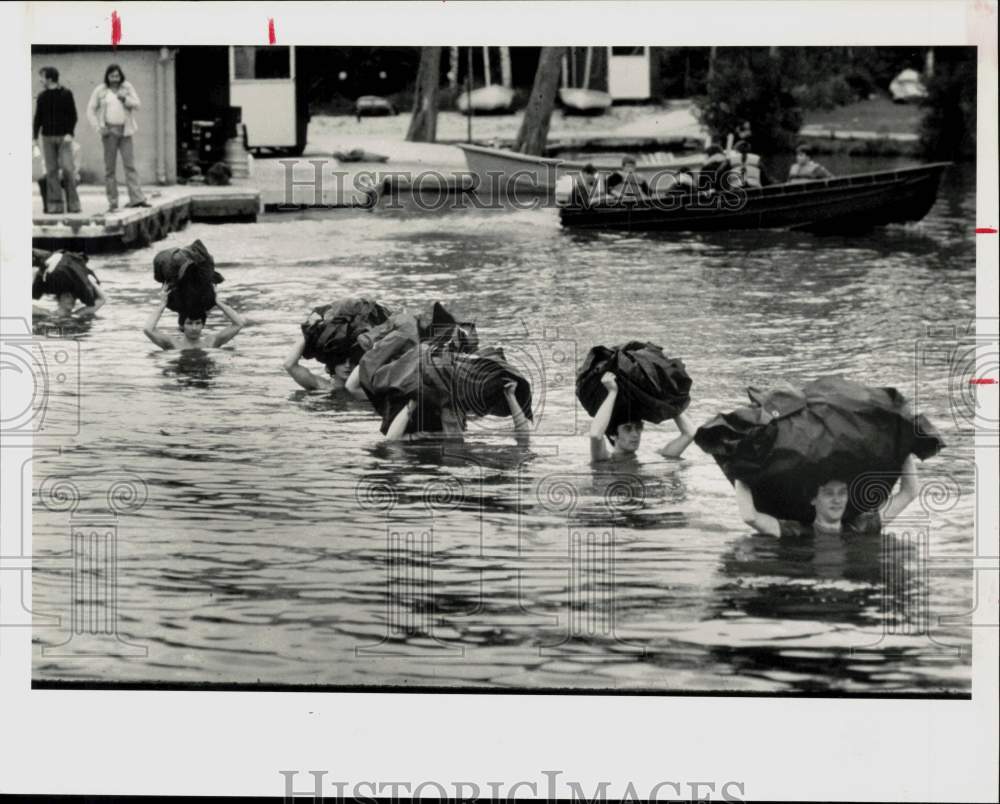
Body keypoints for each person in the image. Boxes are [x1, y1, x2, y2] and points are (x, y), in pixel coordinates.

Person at [734, 454, 919, 538]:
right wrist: (738, 468)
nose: (837, 500)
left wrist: (905, 450)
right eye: (829, 494)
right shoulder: (796, 532)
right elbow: (750, 516)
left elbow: (909, 492)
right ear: (814, 499)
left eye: (842, 493)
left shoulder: (861, 527)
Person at [588, 373, 695, 463]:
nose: (635, 434)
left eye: (638, 427)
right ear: (612, 435)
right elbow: (595, 435)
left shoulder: (653, 457)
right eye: (628, 429)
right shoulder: (604, 460)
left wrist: (666, 399)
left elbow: (690, 433)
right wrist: (612, 392)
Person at [385, 380, 531, 445]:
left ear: (463, 420)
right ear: (441, 416)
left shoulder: (471, 437)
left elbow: (523, 437)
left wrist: (510, 396)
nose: (453, 418)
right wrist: (413, 402)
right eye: (448, 411)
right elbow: (392, 440)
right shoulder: (430, 438)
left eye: (457, 412)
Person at [87, 64, 149, 212]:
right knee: (110, 169)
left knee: (130, 165)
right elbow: (90, 110)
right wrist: (98, 127)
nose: (114, 79)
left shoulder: (127, 87)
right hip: (109, 131)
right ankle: (113, 202)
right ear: (107, 77)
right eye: (111, 76)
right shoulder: (101, 90)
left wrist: (125, 99)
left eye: (117, 76)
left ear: (121, 76)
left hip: (126, 130)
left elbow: (138, 105)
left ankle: (137, 199)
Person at [33, 66, 81, 214]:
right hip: (47, 138)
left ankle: (74, 205)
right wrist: (34, 137)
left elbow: (73, 115)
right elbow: (38, 118)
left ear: (49, 78)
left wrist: (70, 133)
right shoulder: (42, 96)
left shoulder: (66, 94)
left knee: (68, 169)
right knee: (51, 172)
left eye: (42, 77)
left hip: (64, 138)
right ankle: (55, 206)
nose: (40, 80)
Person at [143, 289, 245, 351]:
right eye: (189, 323)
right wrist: (162, 304)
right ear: (182, 325)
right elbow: (148, 329)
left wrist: (217, 302)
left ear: (203, 325)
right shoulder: (173, 344)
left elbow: (239, 323)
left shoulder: (211, 343)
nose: (194, 328)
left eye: (198, 323)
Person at [283, 334, 360, 395]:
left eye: (352, 361)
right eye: (341, 361)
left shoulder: (364, 387)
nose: (348, 365)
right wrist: (308, 333)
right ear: (331, 365)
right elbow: (289, 365)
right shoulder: (322, 385)